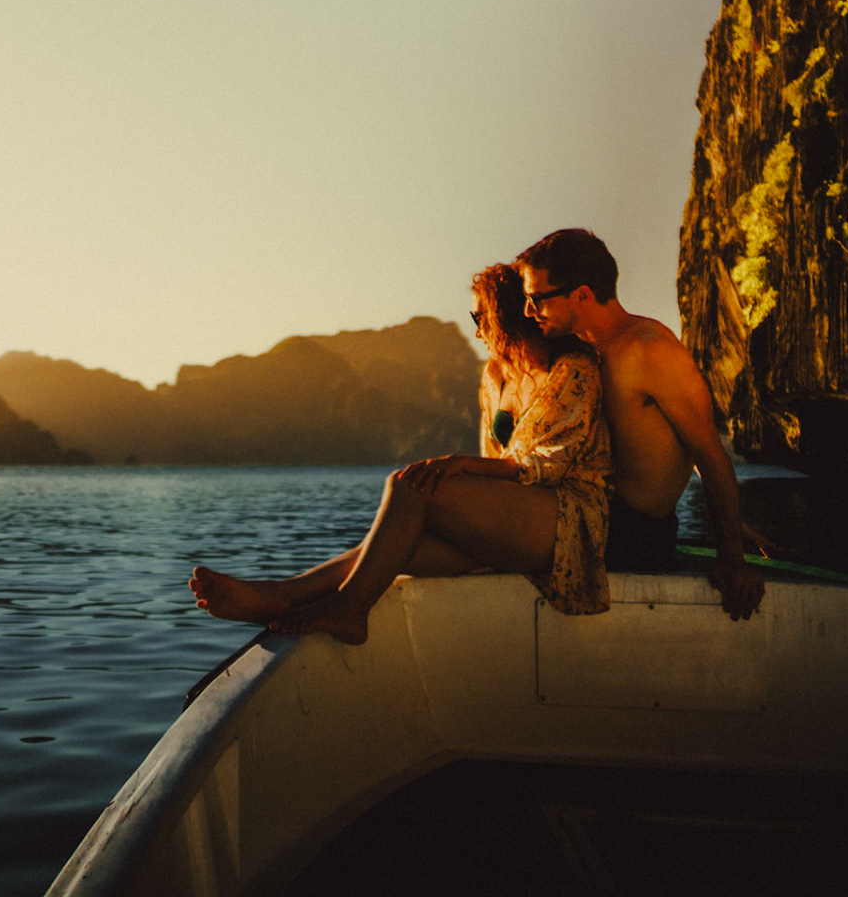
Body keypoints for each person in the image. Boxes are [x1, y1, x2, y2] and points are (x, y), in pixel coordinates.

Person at [189, 265, 612, 643]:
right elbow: (494, 457)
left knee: (408, 487)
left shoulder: (573, 369)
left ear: (502, 313)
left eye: (478, 316)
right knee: (397, 544)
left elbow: (551, 462)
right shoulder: (495, 375)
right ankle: (283, 595)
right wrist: (471, 480)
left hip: (569, 514)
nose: (476, 329)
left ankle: (350, 609)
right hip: (518, 517)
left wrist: (462, 466)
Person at [514, 228, 766, 620]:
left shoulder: (650, 351)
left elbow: (709, 452)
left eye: (536, 299)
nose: (529, 311)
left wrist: (732, 556)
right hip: (585, 512)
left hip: (634, 533)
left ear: (581, 295)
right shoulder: (581, 353)